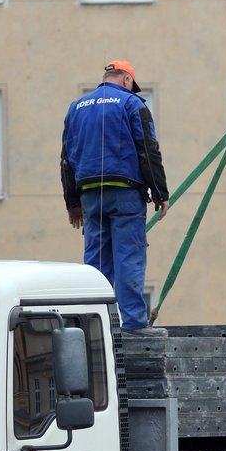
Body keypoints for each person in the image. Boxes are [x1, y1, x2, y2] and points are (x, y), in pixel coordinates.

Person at [61, 60, 169, 333]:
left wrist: (73, 203)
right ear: (126, 80)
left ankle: (95, 327)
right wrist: (160, 192)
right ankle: (133, 325)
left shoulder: (76, 108)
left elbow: (67, 158)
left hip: (90, 195)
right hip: (124, 193)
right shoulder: (133, 104)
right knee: (128, 258)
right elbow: (148, 149)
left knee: (96, 264)